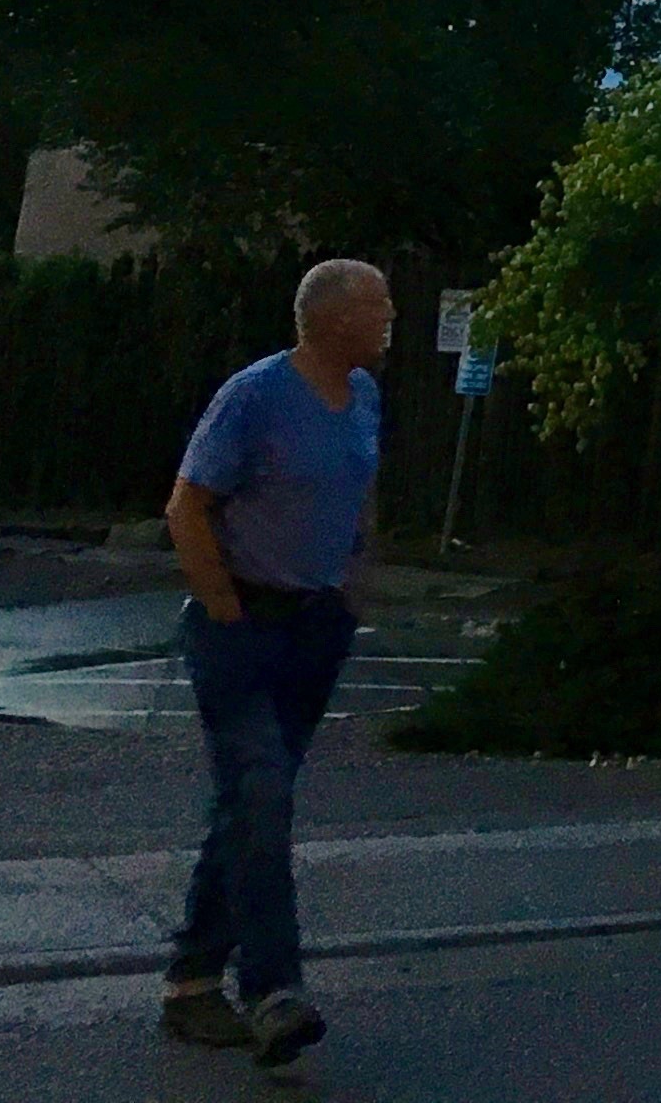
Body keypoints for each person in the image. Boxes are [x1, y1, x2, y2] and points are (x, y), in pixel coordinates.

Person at [158, 258, 392, 1066]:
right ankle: (272, 990)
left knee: (255, 803)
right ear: (332, 319)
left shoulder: (364, 397)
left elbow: (361, 489)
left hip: (315, 627)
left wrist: (356, 581)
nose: (391, 316)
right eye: (378, 305)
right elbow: (187, 505)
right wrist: (223, 607)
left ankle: (191, 982)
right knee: (260, 790)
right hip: (243, 625)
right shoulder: (255, 395)